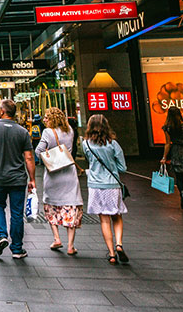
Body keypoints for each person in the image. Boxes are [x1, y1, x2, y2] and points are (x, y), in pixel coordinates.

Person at [0, 99, 35, 259]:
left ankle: (1, 235)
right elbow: (29, 157)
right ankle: (17, 249)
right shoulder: (22, 131)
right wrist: (32, 179)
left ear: (3, 111)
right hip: (18, 178)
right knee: (17, 213)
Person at [35, 107, 83, 256]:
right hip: (69, 171)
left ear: (52, 119)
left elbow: (38, 151)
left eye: (46, 118)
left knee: (51, 206)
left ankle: (56, 238)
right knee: (70, 206)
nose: (44, 120)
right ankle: (70, 245)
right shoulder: (70, 130)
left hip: (53, 173)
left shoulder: (48, 132)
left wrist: (49, 155)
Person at [82, 114, 129, 265]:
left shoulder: (86, 144)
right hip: (112, 185)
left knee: (104, 220)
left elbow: (90, 162)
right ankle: (119, 244)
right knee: (116, 216)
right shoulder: (113, 144)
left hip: (95, 186)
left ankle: (111, 253)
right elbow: (123, 168)